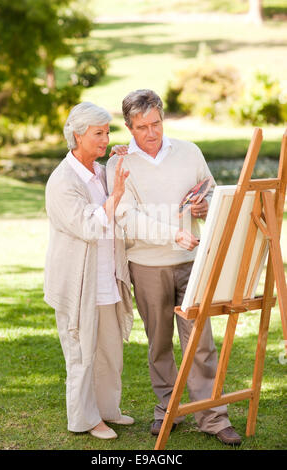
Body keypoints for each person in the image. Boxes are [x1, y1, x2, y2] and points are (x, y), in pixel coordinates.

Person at [106, 89, 242, 446]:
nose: (152, 133)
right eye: (142, 127)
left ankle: (213, 416)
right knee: (160, 342)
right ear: (128, 127)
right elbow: (127, 219)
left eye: (156, 124)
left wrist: (205, 206)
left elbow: (213, 192)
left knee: (200, 341)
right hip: (147, 265)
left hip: (191, 261)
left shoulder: (189, 151)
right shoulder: (118, 165)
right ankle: (167, 407)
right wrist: (174, 234)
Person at [43, 102, 134, 440]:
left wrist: (119, 164)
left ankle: (108, 410)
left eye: (107, 131)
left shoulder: (98, 171)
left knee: (110, 350)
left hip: (105, 277)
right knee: (82, 353)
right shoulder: (62, 180)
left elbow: (117, 207)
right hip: (78, 282)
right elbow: (88, 225)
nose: (106, 138)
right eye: (99, 133)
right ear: (77, 136)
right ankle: (85, 419)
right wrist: (116, 197)